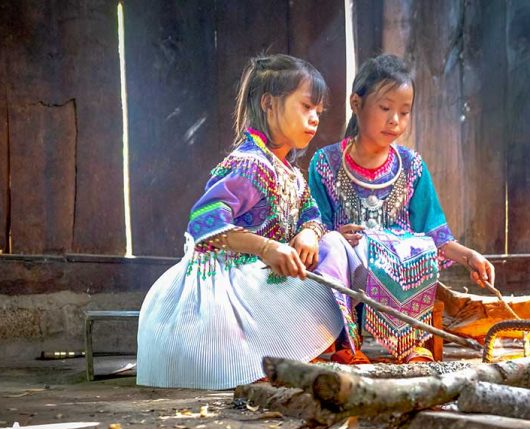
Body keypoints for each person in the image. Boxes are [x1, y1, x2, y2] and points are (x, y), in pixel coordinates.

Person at [137, 54, 361, 389]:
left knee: (335, 246)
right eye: (306, 107)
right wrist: (268, 248)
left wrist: (309, 233)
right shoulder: (248, 165)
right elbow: (203, 222)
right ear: (269, 104)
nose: (314, 119)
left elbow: (312, 214)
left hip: (258, 279)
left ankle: (302, 350)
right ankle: (263, 358)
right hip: (224, 288)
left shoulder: (290, 174)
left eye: (318, 111)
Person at [308, 54, 495, 364]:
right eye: (385, 109)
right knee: (331, 246)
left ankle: (411, 342)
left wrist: (469, 256)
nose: (395, 120)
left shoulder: (411, 166)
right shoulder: (325, 163)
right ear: (356, 103)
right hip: (349, 273)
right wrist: (335, 235)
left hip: (399, 272)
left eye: (404, 112)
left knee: (417, 245)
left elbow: (435, 235)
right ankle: (346, 344)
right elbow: (313, 225)